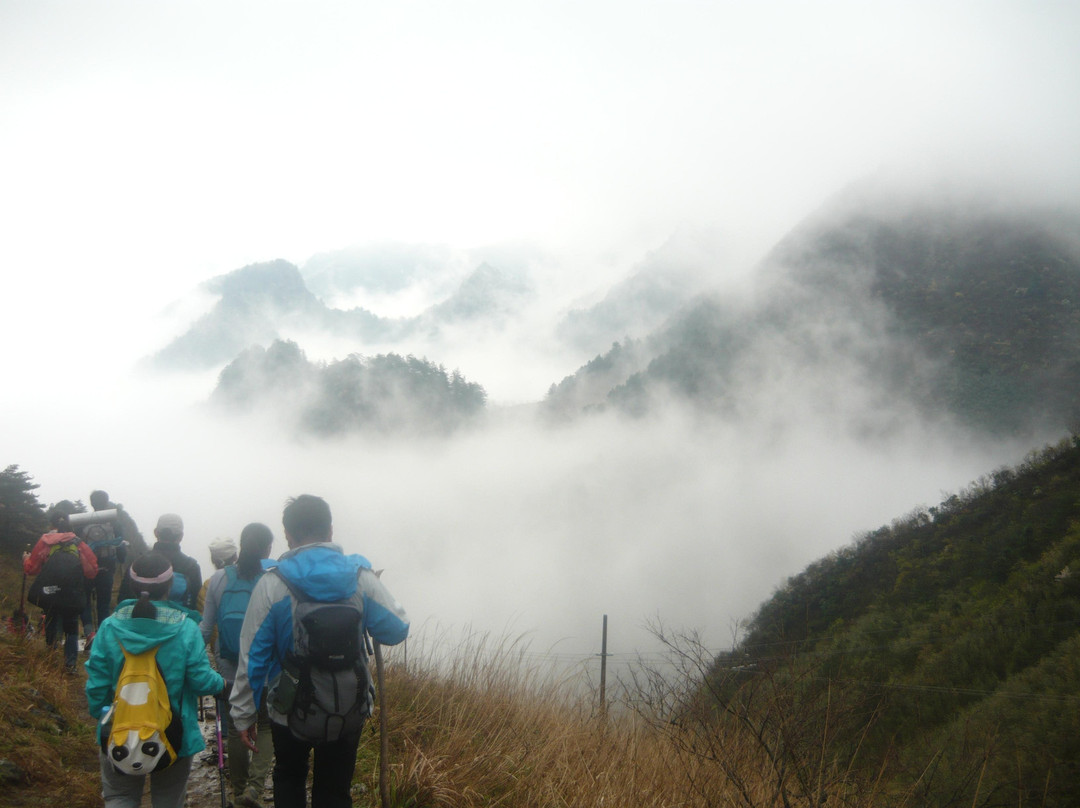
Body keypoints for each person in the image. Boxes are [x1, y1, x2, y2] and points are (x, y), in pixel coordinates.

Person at [230, 495, 409, 808]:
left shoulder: (273, 584)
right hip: (348, 706)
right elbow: (397, 629)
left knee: (289, 775)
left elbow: (251, 657)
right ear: (330, 530)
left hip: (288, 708)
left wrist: (244, 714)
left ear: (288, 535)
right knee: (335, 789)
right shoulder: (360, 577)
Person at [86, 552, 226, 808]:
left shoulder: (109, 627)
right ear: (170, 586)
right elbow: (201, 681)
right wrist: (221, 684)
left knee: (120, 797)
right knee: (168, 802)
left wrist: (103, 717)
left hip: (118, 732)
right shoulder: (185, 628)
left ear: (131, 585)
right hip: (174, 734)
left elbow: (97, 685)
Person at [200, 525, 275, 808]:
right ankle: (254, 789)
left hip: (229, 665)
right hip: (264, 666)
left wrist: (190, 658)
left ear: (241, 545)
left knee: (235, 727)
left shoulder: (218, 579)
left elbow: (206, 627)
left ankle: (238, 791)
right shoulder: (271, 581)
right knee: (265, 725)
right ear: (267, 549)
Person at [23, 509, 98, 672]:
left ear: (53, 525)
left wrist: (25, 559)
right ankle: (70, 664)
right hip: (72, 593)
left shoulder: (46, 541)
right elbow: (92, 571)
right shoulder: (79, 544)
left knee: (51, 619)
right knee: (71, 625)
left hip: (50, 591)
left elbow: (32, 568)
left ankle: (50, 658)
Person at [120, 514, 202, 610]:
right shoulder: (191, 567)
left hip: (137, 617)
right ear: (181, 536)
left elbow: (123, 600)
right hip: (182, 618)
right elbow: (196, 605)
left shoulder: (137, 563)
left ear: (155, 533)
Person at [196, 537, 239, 614]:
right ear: (235, 557)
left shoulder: (208, 585)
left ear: (213, 560)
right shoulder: (246, 582)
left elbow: (203, 614)